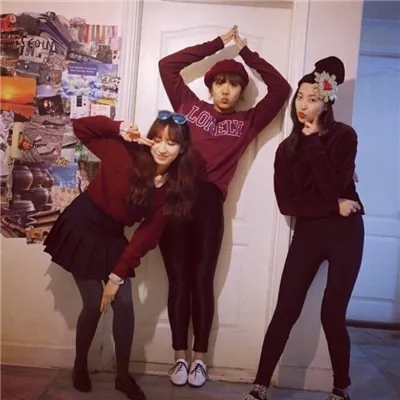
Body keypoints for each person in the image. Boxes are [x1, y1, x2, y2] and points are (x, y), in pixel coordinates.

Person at [158, 24, 291, 388]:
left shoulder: (248, 121)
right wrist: (218, 44)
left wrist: (245, 52)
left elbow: (281, 89)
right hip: (174, 202)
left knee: (202, 282)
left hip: (209, 205)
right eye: (220, 82)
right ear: (211, 86)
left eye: (234, 84)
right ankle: (179, 357)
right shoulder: (188, 107)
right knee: (178, 282)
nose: (227, 90)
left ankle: (200, 360)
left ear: (241, 91)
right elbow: (167, 65)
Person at [43, 112, 196, 400]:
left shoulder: (172, 188)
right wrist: (119, 127)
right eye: (159, 139)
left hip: (112, 233)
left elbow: (146, 235)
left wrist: (116, 276)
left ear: (182, 149)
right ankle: (80, 365)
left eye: (172, 143)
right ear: (150, 139)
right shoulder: (125, 150)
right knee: (92, 303)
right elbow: (80, 127)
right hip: (81, 224)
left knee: (124, 303)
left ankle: (123, 377)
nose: (163, 148)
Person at [244, 57, 365, 400]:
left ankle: (341, 389)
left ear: (327, 103)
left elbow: (332, 185)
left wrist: (314, 143)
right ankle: (260, 386)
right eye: (300, 96)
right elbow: (288, 204)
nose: (303, 105)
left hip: (346, 233)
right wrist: (332, 205)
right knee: (286, 310)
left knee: (332, 314)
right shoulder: (286, 150)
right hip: (310, 233)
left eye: (312, 99)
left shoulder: (344, 136)